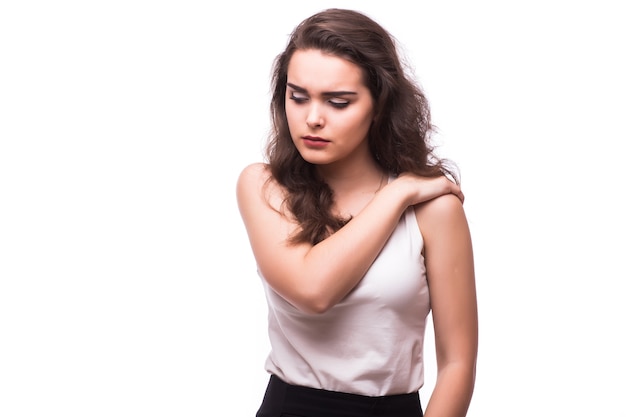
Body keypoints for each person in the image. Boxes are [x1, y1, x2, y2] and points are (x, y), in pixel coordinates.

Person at [236, 8, 478, 417]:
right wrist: (397, 194)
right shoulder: (264, 186)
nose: (313, 118)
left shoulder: (436, 209)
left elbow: (458, 364)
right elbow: (312, 290)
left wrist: (404, 192)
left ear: (378, 106)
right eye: (298, 96)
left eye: (338, 102)